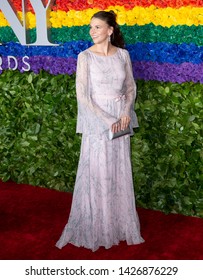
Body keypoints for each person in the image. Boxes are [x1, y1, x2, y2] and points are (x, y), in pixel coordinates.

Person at [56, 10, 144, 252]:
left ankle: (117, 226)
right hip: (98, 122)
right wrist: (107, 120)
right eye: (91, 27)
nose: (92, 32)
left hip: (120, 120)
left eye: (97, 27)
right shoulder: (85, 57)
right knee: (97, 171)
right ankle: (97, 226)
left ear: (110, 30)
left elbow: (130, 88)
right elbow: (83, 96)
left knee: (118, 170)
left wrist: (125, 112)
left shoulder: (123, 55)